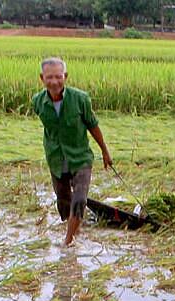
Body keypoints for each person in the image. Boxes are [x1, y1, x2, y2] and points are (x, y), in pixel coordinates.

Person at [33, 57, 113, 245]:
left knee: (79, 200)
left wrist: (105, 151)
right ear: (42, 78)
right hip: (56, 157)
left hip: (80, 157)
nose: (54, 82)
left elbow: (93, 125)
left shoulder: (80, 99)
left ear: (65, 77)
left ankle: (68, 242)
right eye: (49, 77)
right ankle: (74, 225)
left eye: (58, 77)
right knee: (63, 201)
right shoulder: (37, 102)